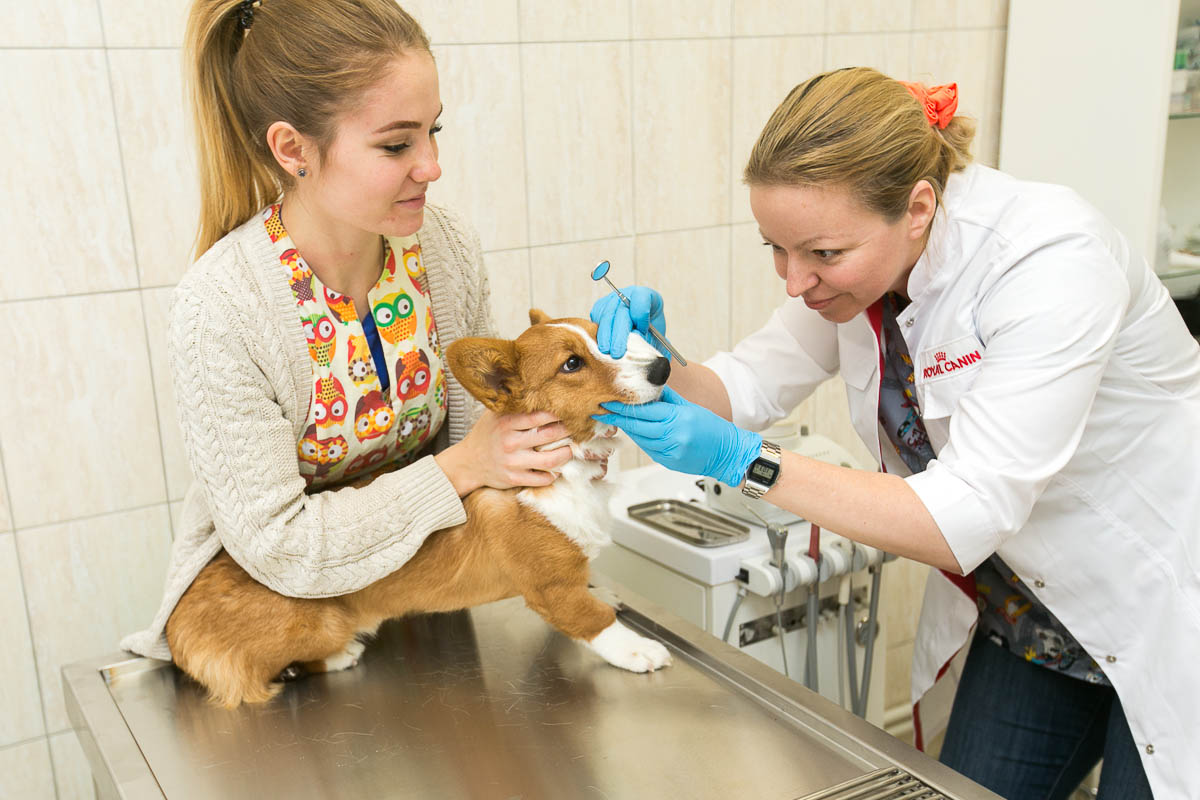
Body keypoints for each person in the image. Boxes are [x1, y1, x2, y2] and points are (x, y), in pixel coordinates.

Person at [592, 67, 1200, 799]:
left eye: (820, 253)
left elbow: (963, 513)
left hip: (1166, 603)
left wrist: (744, 463)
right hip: (1034, 619)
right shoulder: (863, 278)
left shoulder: (1049, 260)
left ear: (917, 208)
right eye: (774, 249)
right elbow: (739, 389)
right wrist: (655, 359)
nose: (794, 281)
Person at [122, 0, 571, 662]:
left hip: (423, 601)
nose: (432, 165)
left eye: (432, 131)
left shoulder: (444, 249)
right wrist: (460, 468)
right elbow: (280, 545)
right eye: (396, 144)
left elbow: (491, 447)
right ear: (293, 150)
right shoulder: (220, 306)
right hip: (284, 626)